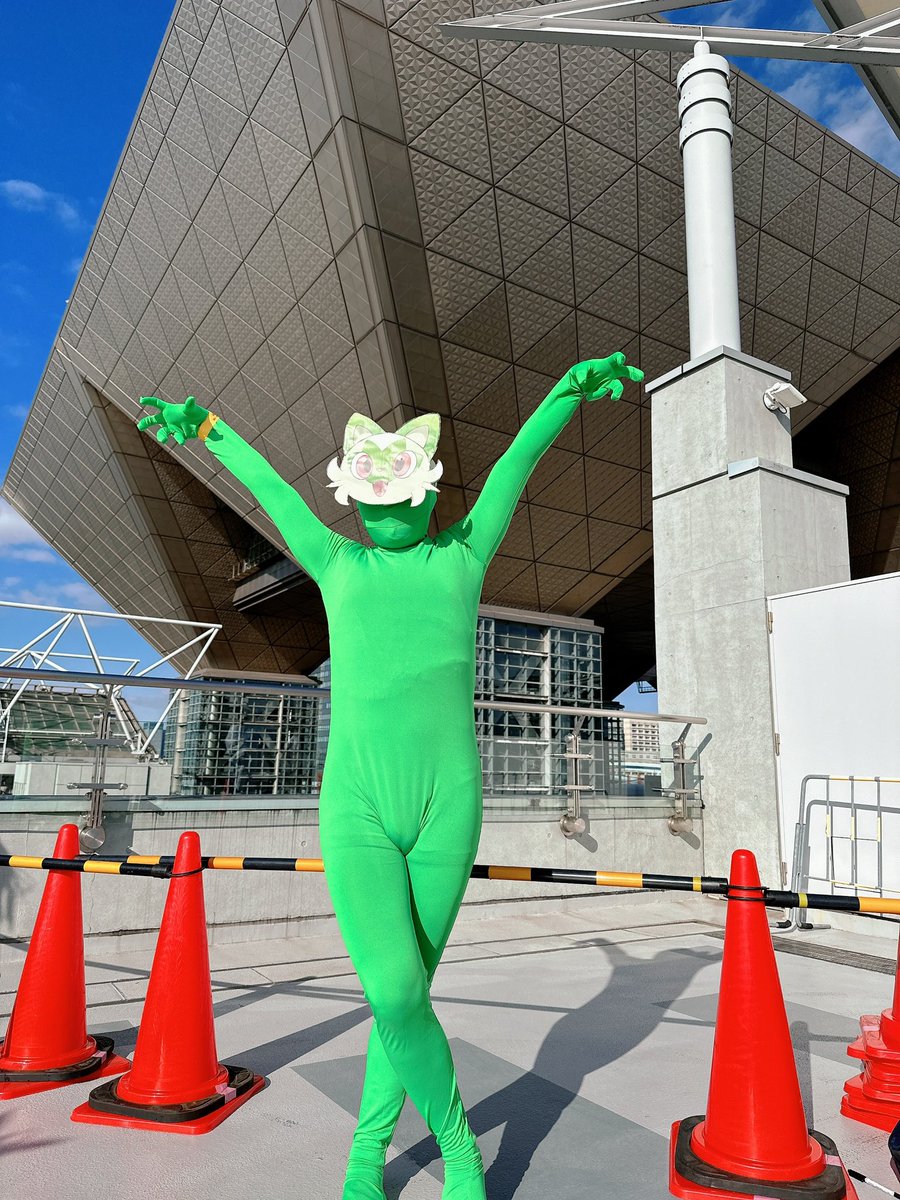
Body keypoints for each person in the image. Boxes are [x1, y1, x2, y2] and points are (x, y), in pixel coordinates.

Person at [136, 353, 643, 1200]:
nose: (385, 514)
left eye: (399, 500)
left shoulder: (464, 554)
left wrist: (563, 392)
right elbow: (273, 493)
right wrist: (209, 430)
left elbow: (515, 467)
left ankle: (366, 1156)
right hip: (358, 809)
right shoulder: (338, 562)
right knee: (396, 989)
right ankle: (459, 1149)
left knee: (402, 998)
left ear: (428, 496)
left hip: (448, 807)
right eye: (371, 503)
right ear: (357, 501)